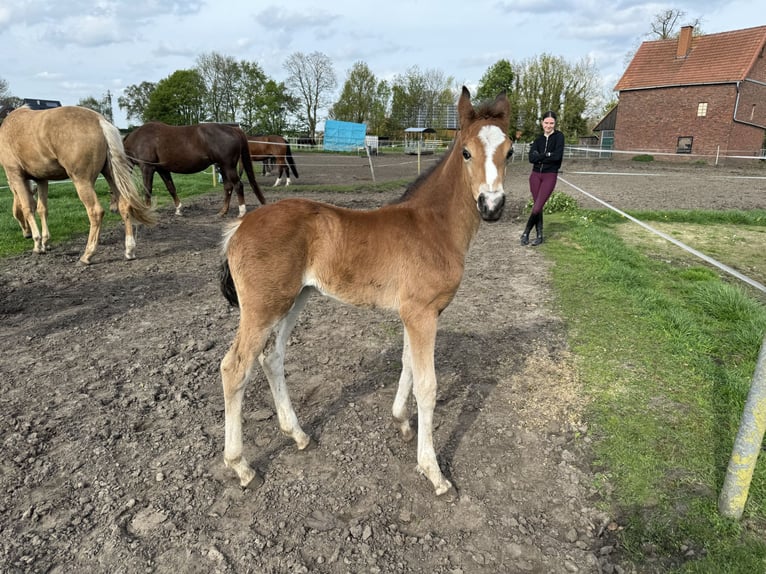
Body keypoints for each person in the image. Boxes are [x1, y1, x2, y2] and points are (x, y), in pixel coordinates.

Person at [521, 111, 565, 246]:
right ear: (542, 123)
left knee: (537, 207)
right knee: (537, 206)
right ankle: (539, 235)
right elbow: (531, 158)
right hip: (535, 176)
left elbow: (557, 157)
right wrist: (547, 155)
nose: (549, 125)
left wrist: (540, 155)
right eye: (546, 123)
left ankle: (526, 233)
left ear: (555, 124)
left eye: (551, 123)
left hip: (549, 175)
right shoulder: (538, 140)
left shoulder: (559, 137)